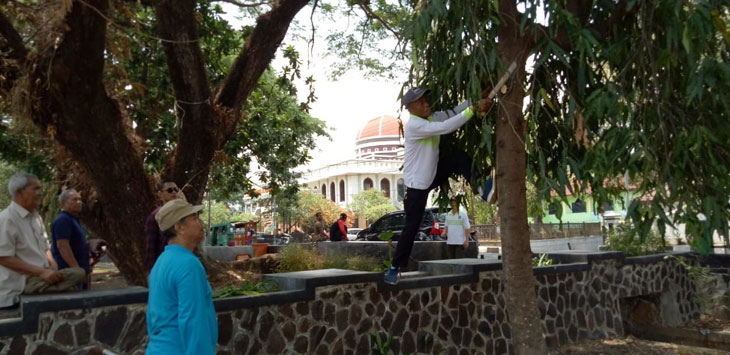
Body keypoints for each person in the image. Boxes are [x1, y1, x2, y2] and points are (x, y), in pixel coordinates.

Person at [384, 87, 493, 285]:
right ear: (410, 108)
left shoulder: (432, 118)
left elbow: (453, 113)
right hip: (417, 186)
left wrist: (475, 98)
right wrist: (474, 109)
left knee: (459, 157)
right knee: (412, 227)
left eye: (427, 99)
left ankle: (482, 189)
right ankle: (394, 267)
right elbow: (446, 127)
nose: (427, 104)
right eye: (421, 102)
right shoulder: (414, 126)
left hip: (432, 175)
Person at [0, 173, 85, 309]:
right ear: (19, 192)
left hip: (43, 277)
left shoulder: (36, 218)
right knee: (76, 280)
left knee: (78, 274)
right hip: (23, 283)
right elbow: (3, 258)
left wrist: (53, 267)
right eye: (36, 189)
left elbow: (46, 247)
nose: (40, 193)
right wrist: (41, 272)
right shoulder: (6, 219)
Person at [147, 198, 217, 355]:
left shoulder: (161, 262)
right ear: (179, 228)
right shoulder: (188, 264)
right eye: (194, 218)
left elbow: (154, 319)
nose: (200, 223)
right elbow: (193, 321)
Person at [50, 189, 92, 289]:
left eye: (80, 199)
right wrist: (78, 271)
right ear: (64, 203)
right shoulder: (63, 220)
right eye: (74, 199)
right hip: (70, 274)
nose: (79, 202)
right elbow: (63, 246)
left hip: (79, 272)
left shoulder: (74, 219)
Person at [145, 179, 180, 272]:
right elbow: (151, 247)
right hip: (163, 267)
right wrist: (152, 273)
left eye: (176, 189)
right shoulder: (155, 216)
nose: (174, 192)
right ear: (160, 194)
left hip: (181, 263)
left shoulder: (184, 214)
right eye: (169, 190)